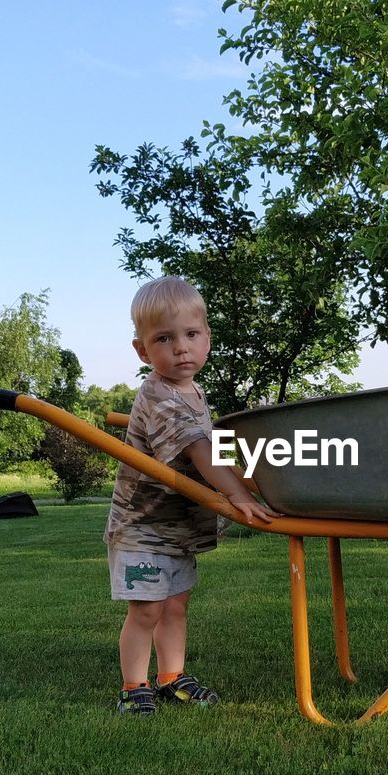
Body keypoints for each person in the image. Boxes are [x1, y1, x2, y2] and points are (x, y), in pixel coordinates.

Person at [105, 276, 277, 715]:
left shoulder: (194, 391)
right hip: (143, 528)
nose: (181, 348)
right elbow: (202, 452)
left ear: (207, 340)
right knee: (146, 611)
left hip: (176, 528)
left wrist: (259, 478)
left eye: (191, 335)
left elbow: (212, 448)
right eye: (164, 338)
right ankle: (133, 686)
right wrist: (238, 494)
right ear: (143, 351)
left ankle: (171, 677)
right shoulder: (159, 394)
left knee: (176, 606)